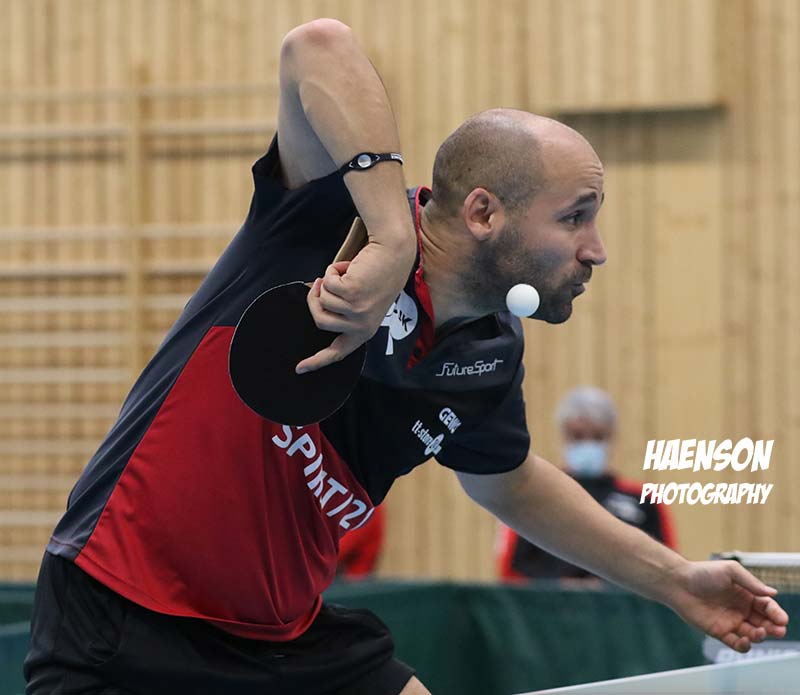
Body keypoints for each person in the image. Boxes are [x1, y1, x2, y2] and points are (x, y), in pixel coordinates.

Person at [25, 18, 788, 695]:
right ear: (483, 212)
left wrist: (675, 580)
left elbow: (512, 483)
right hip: (125, 612)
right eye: (574, 217)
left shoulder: (488, 351)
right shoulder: (327, 224)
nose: (597, 249)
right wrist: (391, 239)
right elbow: (315, 46)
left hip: (283, 637)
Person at [499, 386, 677, 582]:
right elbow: (511, 571)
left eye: (598, 437)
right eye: (578, 436)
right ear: (564, 436)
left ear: (611, 437)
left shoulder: (644, 499)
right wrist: (559, 588)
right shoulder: (533, 495)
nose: (588, 444)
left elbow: (668, 570)